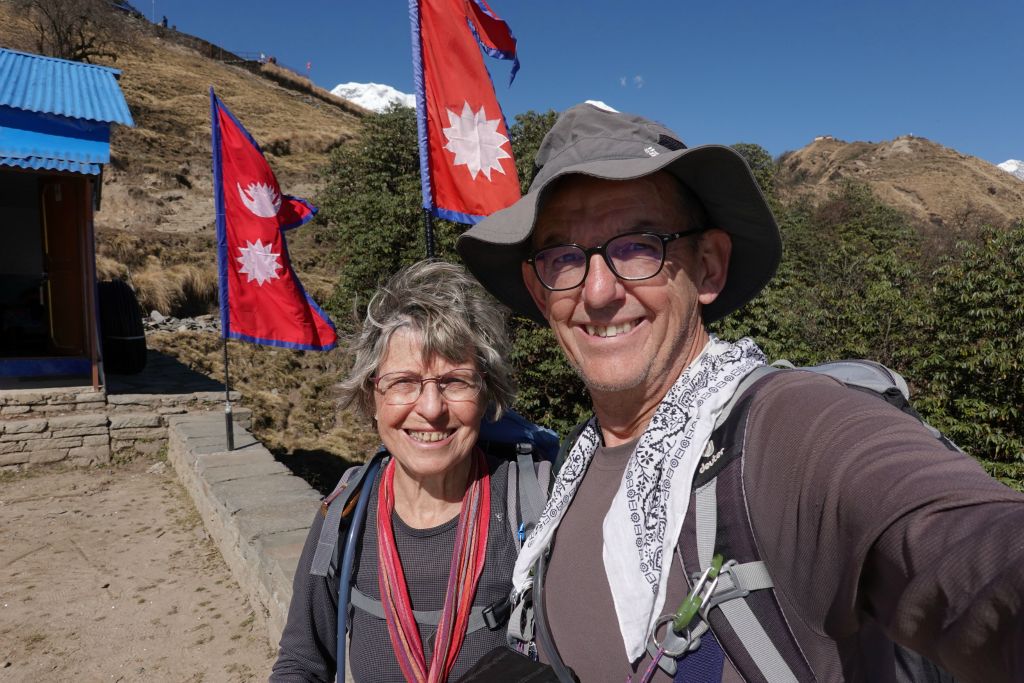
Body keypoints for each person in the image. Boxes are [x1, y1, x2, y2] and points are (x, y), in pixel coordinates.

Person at [456, 103, 1024, 682]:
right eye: (563, 257)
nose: (598, 292)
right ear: (538, 287)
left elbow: (962, 544)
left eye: (637, 246)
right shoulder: (569, 469)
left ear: (708, 267)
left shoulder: (788, 426)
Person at [271, 260, 540, 682]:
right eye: (404, 382)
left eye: (454, 381)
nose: (431, 409)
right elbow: (302, 664)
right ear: (370, 394)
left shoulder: (534, 506)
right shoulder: (345, 515)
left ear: (486, 392)